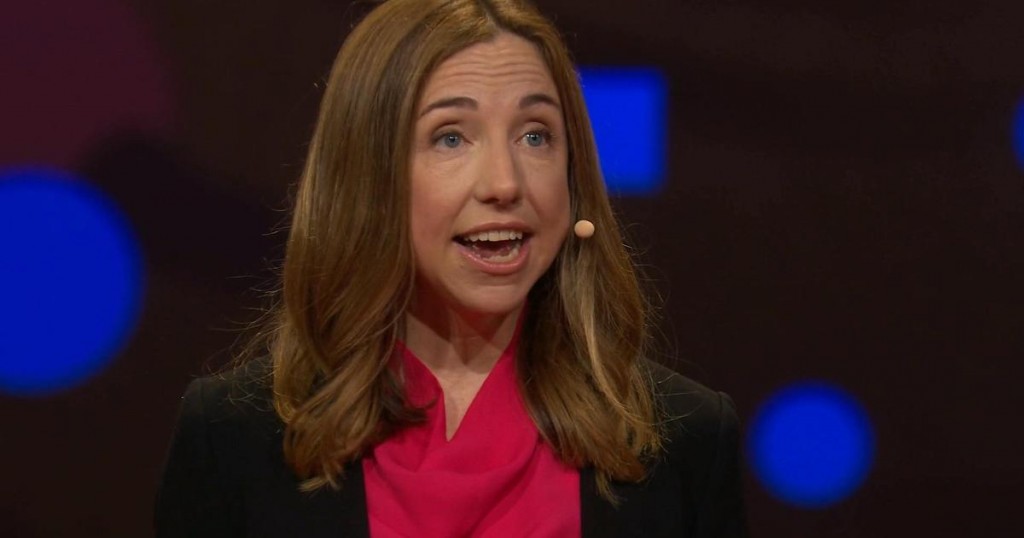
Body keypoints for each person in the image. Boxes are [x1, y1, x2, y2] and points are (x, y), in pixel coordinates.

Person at [154, 0, 747, 536]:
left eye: (535, 136)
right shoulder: (232, 440)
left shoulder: (684, 443)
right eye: (451, 138)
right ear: (369, 181)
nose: (505, 183)